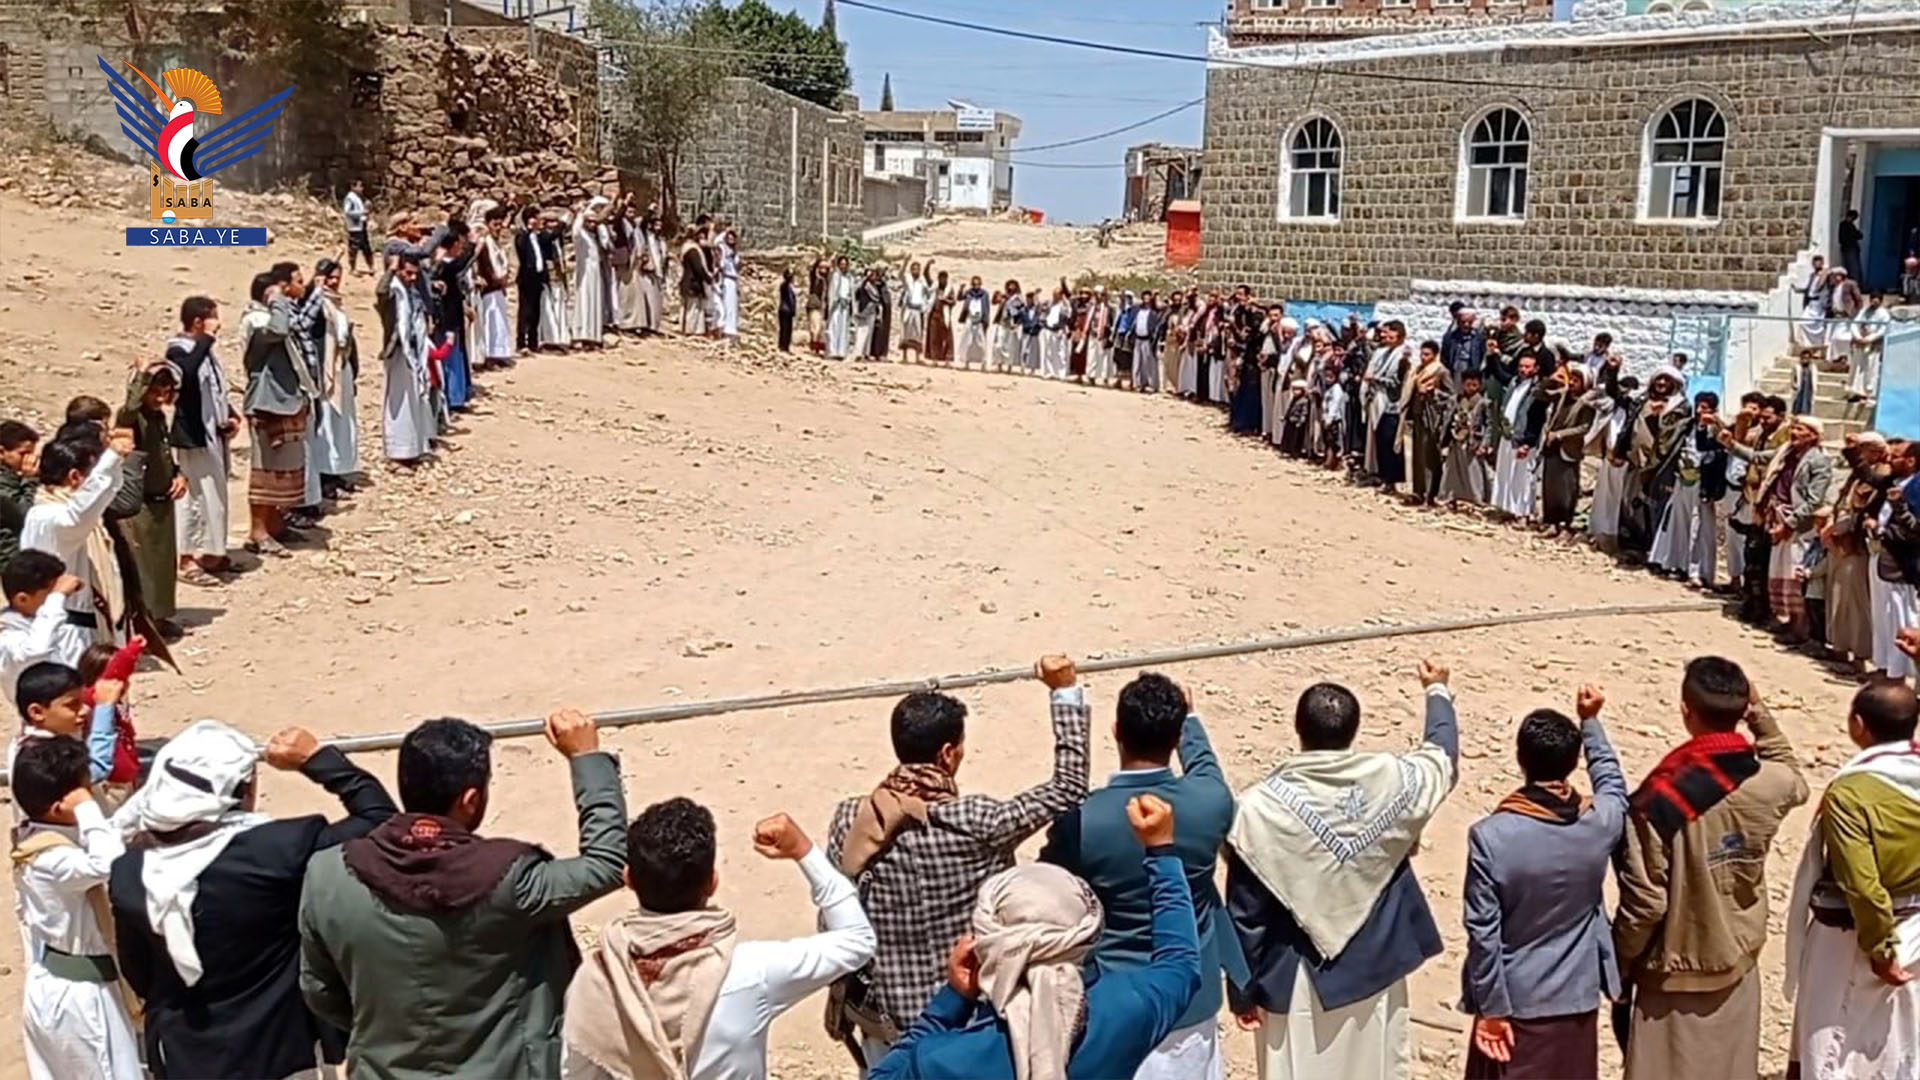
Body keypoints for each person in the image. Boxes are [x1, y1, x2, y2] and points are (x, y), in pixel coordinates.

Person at [299, 710, 626, 1078]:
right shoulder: (512, 879)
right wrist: (586, 757)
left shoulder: (327, 875)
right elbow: (608, 863)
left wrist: (385, 1027)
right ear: (470, 798)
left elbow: (320, 990)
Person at [825, 656, 1090, 1066]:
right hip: (969, 1024)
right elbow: (1068, 786)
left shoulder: (850, 820)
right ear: (948, 754)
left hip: (890, 1031)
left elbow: (833, 908)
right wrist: (1064, 691)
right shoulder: (978, 821)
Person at [108, 720, 396, 1079]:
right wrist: (316, 759)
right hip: (277, 1053)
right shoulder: (279, 852)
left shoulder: (128, 872)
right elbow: (380, 820)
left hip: (184, 1056)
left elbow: (139, 974)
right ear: (241, 790)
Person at [1226, 660, 1458, 1080]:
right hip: (1378, 965)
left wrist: (1243, 991)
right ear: (1354, 729)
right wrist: (1437, 691)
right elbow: (1442, 758)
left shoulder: (1259, 808)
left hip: (1295, 977)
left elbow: (1246, 913)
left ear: (1298, 730)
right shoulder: (1394, 780)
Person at [868, 794, 1202, 1080]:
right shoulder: (1130, 1007)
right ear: (1084, 934)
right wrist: (1161, 850)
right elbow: (1181, 961)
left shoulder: (941, 1059)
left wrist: (951, 1001)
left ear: (987, 943)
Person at [561, 802, 875, 1080]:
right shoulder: (750, 972)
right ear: (712, 882)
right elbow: (857, 941)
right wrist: (804, 852)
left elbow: (575, 1069)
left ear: (628, 879)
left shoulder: (596, 981)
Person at [1612, 657, 1809, 1080]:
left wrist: (1621, 962)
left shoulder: (1660, 797)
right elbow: (1794, 773)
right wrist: (1760, 716)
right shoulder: (1768, 783)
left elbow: (1646, 901)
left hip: (1674, 970)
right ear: (1742, 709)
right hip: (1735, 956)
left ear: (1686, 710)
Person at [1039, 673, 1243, 1080]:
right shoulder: (1211, 802)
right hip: (1192, 999)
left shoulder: (1084, 821)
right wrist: (1192, 719)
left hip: (1114, 1004)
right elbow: (1204, 767)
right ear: (1176, 736)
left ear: (1116, 731)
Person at [1460, 687, 1627, 1080]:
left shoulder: (1491, 836)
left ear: (1520, 759)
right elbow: (1613, 785)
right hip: (1578, 994)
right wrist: (1592, 723)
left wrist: (1492, 1009)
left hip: (1516, 1002)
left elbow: (1483, 932)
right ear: (1573, 763)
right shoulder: (1599, 822)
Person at [1783, 679, 1920, 1080]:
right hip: (1915, 929)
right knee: (1901, 1038)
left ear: (1858, 724)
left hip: (1853, 939)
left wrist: (1880, 949)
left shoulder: (1850, 793)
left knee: (1835, 1047)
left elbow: (1862, 883)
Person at [11, 735, 142, 1080]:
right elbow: (110, 862)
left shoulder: (47, 837)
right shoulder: (51, 857)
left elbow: (107, 834)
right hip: (80, 999)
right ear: (60, 808)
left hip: (64, 985)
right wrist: (87, 808)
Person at [21, 433, 131, 642]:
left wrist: (115, 462)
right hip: (69, 632)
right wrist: (110, 460)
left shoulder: (42, 510)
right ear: (74, 477)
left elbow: (102, 496)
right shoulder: (54, 517)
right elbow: (82, 510)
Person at [1746, 416, 1834, 642]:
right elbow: (1757, 457)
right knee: (1780, 572)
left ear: (1813, 435)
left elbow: (1814, 500)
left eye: (1800, 429)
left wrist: (1789, 523)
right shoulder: (1785, 453)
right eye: (1793, 428)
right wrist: (1729, 443)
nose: (1794, 432)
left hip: (1798, 526)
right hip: (1778, 518)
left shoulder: (1818, 461)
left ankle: (1800, 628)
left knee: (1795, 575)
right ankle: (1788, 621)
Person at [164, 298, 235, 582]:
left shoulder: (202, 350)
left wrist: (230, 415)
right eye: (213, 318)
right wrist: (206, 338)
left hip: (212, 434)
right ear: (198, 321)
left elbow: (214, 388)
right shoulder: (178, 348)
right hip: (192, 436)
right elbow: (188, 376)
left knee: (213, 496)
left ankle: (210, 552)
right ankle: (186, 559)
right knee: (193, 497)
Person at [113, 358, 184, 632]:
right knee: (143, 567)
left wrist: (177, 474)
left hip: (162, 501)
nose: (160, 398)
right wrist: (141, 375)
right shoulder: (133, 418)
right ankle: (144, 623)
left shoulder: (158, 418)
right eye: (154, 392)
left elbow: (165, 454)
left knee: (163, 565)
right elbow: (128, 411)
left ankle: (160, 616)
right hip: (140, 505)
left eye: (165, 393)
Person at [1648, 392, 1722, 583]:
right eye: (1698, 406)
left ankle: (1697, 571)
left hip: (1702, 485)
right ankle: (1675, 563)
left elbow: (1711, 453)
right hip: (1682, 481)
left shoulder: (1719, 430)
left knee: (1699, 528)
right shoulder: (1686, 426)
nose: (1699, 411)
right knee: (1677, 523)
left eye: (1704, 408)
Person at [1, 553, 88, 706]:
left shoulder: (55, 624)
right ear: (22, 599)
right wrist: (57, 597)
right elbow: (35, 651)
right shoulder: (7, 639)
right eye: (49, 595)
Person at [376, 255, 434, 466]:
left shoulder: (412, 293)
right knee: (398, 402)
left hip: (414, 351)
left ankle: (415, 446)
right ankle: (397, 451)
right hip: (398, 350)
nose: (411, 278)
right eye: (407, 273)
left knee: (416, 398)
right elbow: (380, 292)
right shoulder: (393, 291)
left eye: (414, 274)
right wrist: (390, 270)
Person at [310, 259, 361, 497]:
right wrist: (315, 290)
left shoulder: (336, 304)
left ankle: (338, 469)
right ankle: (325, 476)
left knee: (342, 422)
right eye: (330, 277)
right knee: (327, 423)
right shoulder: (317, 303)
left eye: (337, 277)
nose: (334, 281)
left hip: (342, 366)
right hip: (325, 370)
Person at [1537, 363, 1595, 534]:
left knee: (1566, 488)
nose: (1572, 383)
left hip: (1568, 449)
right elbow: (1540, 394)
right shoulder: (1562, 395)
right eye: (1572, 379)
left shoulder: (1587, 404)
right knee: (1550, 487)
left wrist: (1560, 434)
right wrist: (1549, 380)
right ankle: (1551, 522)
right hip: (1552, 446)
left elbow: (1584, 427)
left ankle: (1564, 525)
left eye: (1577, 380)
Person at [1490, 349, 1544, 523]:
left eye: (1527, 367)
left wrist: (1528, 442)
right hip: (1508, 436)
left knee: (1523, 477)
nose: (1523, 370)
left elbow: (1537, 419)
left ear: (1536, 369)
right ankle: (1507, 508)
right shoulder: (1514, 382)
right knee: (1506, 473)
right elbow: (1499, 374)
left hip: (1523, 440)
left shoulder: (1537, 391)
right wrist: (1493, 356)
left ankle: (1523, 513)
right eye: (1521, 366)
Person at [1398, 340, 1451, 507]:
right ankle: (1418, 491)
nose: (1423, 357)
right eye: (1421, 354)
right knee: (1416, 457)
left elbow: (1451, 397)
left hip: (1431, 419)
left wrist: (1433, 392)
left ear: (1435, 355)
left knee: (1429, 458)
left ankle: (1430, 494)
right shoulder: (1418, 370)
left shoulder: (1441, 371)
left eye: (1427, 354)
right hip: (1418, 416)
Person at [1440, 369, 1494, 509]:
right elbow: (1448, 418)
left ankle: (1477, 499)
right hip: (1456, 438)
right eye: (1468, 384)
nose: (1470, 388)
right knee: (1453, 471)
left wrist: (1485, 444)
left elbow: (1489, 425)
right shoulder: (1456, 399)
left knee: (1474, 471)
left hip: (1473, 441)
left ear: (1480, 385)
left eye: (1474, 385)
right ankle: (1451, 496)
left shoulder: (1484, 403)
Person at [0, 420, 38, 566]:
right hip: (8, 558)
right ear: (2, 452)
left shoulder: (10, 477)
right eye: (23, 454)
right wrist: (30, 480)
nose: (29, 460)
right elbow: (27, 514)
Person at [573, 198, 609, 347]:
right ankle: (582, 334)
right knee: (585, 302)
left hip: (595, 273)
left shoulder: (594, 237)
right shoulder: (581, 236)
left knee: (595, 302)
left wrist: (600, 227)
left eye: (594, 222)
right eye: (589, 222)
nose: (592, 225)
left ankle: (594, 335)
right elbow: (575, 231)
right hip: (585, 274)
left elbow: (606, 242)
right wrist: (580, 214)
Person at [514, 206, 548, 355]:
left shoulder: (539, 236)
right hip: (526, 277)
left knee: (536, 310)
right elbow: (520, 246)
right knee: (525, 310)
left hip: (538, 277)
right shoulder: (523, 235)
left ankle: (533, 341)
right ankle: (521, 342)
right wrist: (528, 229)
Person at [1848, 292, 1892, 403]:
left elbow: (1882, 330)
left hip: (1872, 344)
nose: (1874, 301)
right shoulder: (1864, 312)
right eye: (1873, 299)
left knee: (1870, 369)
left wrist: (1868, 339)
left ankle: (1868, 394)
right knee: (1857, 367)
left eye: (1877, 299)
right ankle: (1856, 392)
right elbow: (1854, 324)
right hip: (1860, 343)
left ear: (1880, 301)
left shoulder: (1884, 314)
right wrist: (1858, 337)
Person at [958, 276, 992, 369]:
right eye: (974, 284)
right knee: (967, 341)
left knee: (981, 343)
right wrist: (961, 289)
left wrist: (986, 320)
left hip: (980, 320)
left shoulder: (984, 294)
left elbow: (987, 308)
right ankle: (966, 362)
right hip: (969, 319)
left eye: (978, 284)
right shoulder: (969, 293)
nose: (976, 286)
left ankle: (983, 363)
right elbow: (959, 298)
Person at [826, 256, 856, 360]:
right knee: (834, 327)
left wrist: (849, 301)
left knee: (843, 329)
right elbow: (833, 291)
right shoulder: (835, 276)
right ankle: (832, 351)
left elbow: (851, 293)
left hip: (845, 306)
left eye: (845, 264)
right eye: (841, 264)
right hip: (836, 305)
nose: (843, 266)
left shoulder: (850, 278)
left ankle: (841, 352)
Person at [900, 261, 930, 362]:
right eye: (913, 269)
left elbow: (927, 292)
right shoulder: (907, 279)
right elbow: (900, 274)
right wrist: (905, 262)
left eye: (917, 269)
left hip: (918, 310)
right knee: (905, 332)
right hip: (908, 308)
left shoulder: (922, 280)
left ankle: (917, 357)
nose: (915, 271)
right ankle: (905, 357)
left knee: (918, 333)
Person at [342, 179, 372, 275]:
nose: (361, 188)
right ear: (353, 187)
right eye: (359, 186)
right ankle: (352, 268)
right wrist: (361, 213)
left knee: (366, 246)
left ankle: (371, 267)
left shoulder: (359, 198)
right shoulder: (350, 198)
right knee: (354, 248)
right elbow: (347, 212)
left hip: (361, 224)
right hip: (354, 226)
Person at [718, 227, 742, 342]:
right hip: (726, 278)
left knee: (733, 305)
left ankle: (732, 328)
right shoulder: (723, 249)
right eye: (729, 238)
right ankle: (726, 328)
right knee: (727, 304)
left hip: (733, 279)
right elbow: (717, 241)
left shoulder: (735, 252)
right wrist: (725, 231)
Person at [1839, 209, 1864, 282]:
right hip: (1850, 248)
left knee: (1848, 266)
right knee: (1853, 267)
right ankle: (1854, 283)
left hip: (1846, 248)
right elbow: (1858, 235)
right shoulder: (1849, 225)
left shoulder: (1844, 225)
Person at [778, 267, 798, 353]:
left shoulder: (791, 286)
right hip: (784, 309)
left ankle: (786, 346)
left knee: (788, 329)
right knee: (784, 328)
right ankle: (782, 346)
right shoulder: (784, 285)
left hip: (789, 310)